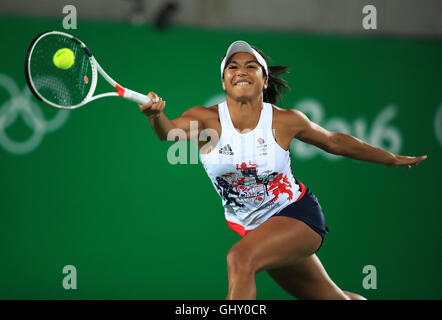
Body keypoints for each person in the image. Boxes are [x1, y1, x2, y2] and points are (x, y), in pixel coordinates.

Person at [138, 40, 427, 300]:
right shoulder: (205, 119)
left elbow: (334, 142)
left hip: (297, 215)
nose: (240, 70)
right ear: (224, 81)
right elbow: (168, 133)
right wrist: (156, 115)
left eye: (251, 66)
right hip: (257, 228)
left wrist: (389, 158)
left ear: (264, 81)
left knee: (240, 259)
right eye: (233, 67)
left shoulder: (285, 120)